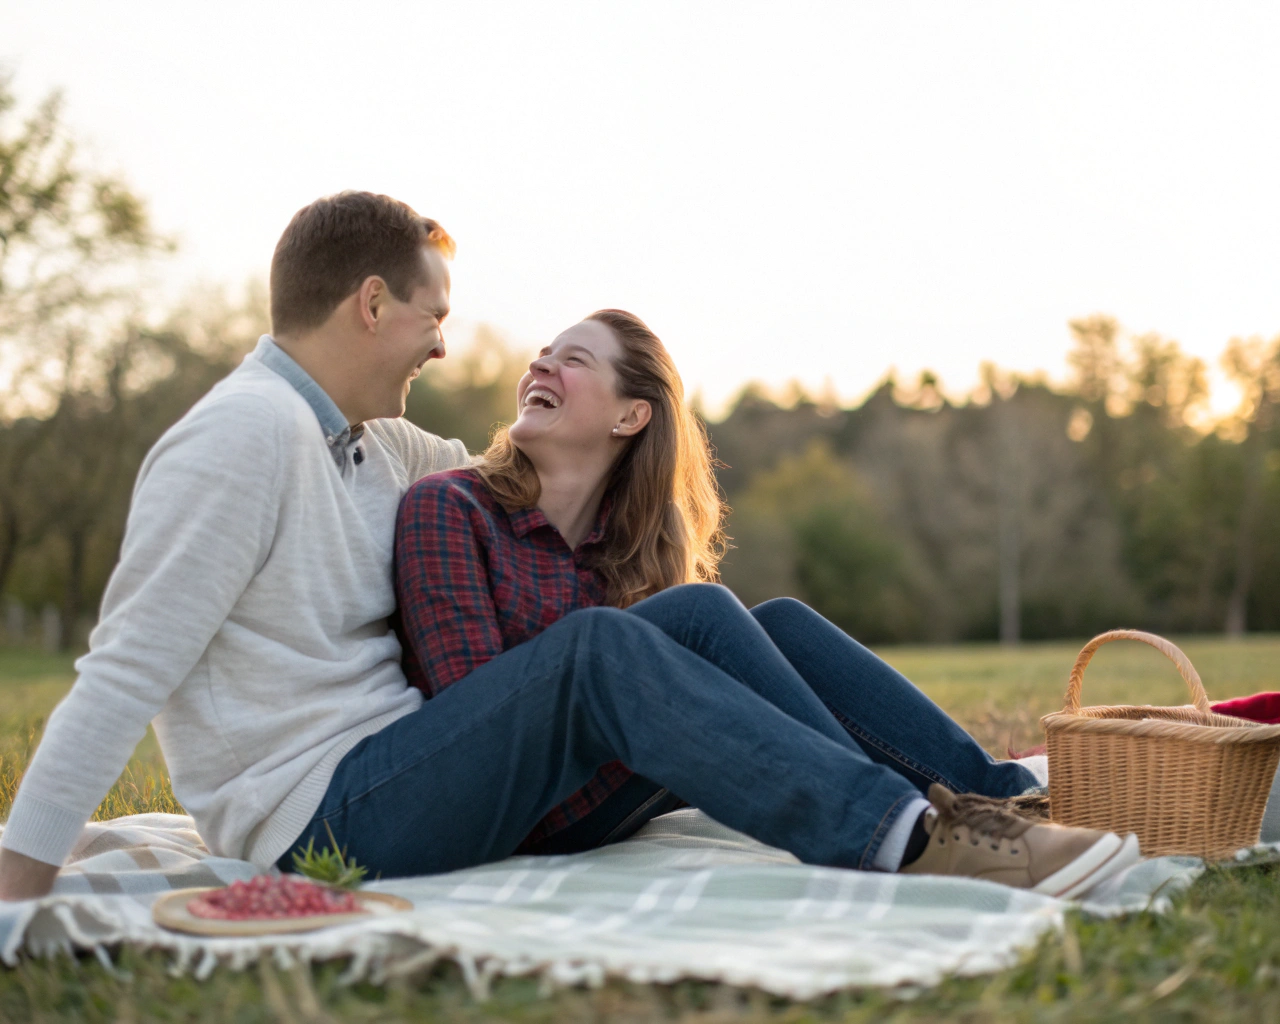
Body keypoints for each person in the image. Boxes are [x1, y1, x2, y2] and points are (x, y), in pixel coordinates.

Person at [282, 309, 1140, 897]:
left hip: (597, 803)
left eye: (571, 359)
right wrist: (643, 686)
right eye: (543, 354)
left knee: (774, 622)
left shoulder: (627, 552)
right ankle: (909, 834)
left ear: (630, 417)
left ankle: (1002, 800)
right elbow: (479, 719)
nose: (539, 364)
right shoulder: (451, 508)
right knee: (681, 620)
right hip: (495, 798)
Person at [0, 191, 471, 900]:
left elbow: (507, 485)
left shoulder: (374, 440)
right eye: (433, 319)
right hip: (319, 815)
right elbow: (126, 672)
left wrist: (604, 422)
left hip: (388, 763)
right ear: (372, 305)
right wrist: (17, 883)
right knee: (598, 660)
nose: (441, 346)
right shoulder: (241, 436)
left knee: (687, 621)